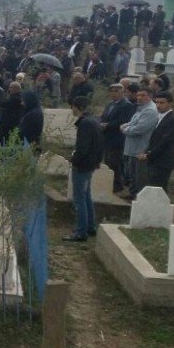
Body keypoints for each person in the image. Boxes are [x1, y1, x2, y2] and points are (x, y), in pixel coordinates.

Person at [65, 96, 103, 242]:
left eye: (72, 107)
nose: (72, 110)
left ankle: (81, 232)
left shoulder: (85, 124)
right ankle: (90, 226)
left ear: (76, 107)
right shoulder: (93, 121)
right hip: (91, 164)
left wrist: (74, 160)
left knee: (79, 198)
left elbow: (82, 148)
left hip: (82, 165)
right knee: (86, 195)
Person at [120, 87, 158, 197]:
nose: (139, 98)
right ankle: (132, 194)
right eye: (138, 95)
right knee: (132, 174)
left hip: (141, 148)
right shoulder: (141, 108)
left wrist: (124, 129)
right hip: (132, 148)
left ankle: (138, 198)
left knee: (139, 176)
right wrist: (126, 125)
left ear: (150, 97)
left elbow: (139, 129)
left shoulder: (150, 111)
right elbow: (133, 123)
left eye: (143, 95)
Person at [139, 91, 174, 191]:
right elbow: (154, 139)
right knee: (152, 188)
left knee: (158, 190)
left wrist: (149, 154)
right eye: (156, 102)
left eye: (162, 103)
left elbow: (165, 142)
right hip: (155, 160)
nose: (158, 105)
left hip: (163, 161)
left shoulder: (173, 120)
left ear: (170, 104)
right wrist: (145, 151)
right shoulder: (160, 117)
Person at [99, 84, 135, 194]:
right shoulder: (110, 104)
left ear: (122, 92)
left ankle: (118, 184)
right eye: (111, 91)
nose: (113, 93)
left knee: (115, 162)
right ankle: (110, 183)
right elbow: (103, 116)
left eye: (116, 91)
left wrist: (108, 125)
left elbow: (124, 120)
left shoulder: (126, 105)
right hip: (107, 137)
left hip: (118, 137)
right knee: (108, 160)